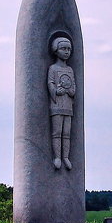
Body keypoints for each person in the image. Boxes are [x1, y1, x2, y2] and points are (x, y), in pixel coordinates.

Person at [48, 36, 75, 170]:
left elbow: (73, 87)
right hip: (57, 105)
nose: (67, 52)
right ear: (56, 50)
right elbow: (50, 84)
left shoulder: (70, 70)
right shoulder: (53, 68)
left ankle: (66, 157)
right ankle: (57, 157)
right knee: (57, 132)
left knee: (67, 133)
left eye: (69, 49)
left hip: (68, 106)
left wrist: (70, 91)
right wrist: (56, 91)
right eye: (63, 48)